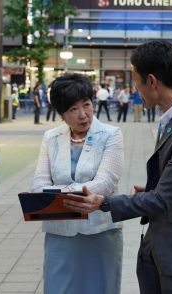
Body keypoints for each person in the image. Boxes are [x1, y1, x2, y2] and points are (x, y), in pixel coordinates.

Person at [64, 40, 172, 294]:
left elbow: (162, 199)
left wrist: (104, 202)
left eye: (136, 81)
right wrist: (151, 189)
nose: (135, 88)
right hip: (163, 240)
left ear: (151, 81)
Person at [31, 73, 124, 294]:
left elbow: (105, 182)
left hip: (100, 231)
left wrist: (56, 195)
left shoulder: (111, 134)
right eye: (73, 109)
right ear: (61, 113)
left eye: (87, 105)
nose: (83, 115)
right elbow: (38, 184)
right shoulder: (51, 137)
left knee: (100, 288)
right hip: (60, 233)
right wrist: (74, 193)